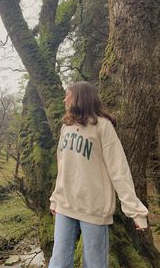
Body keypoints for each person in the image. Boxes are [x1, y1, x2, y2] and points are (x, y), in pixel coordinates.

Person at [48, 81, 148, 268]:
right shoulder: (66, 126)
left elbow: (119, 169)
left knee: (95, 263)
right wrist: (55, 198)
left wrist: (135, 211)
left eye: (67, 95)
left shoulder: (103, 126)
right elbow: (63, 167)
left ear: (79, 97)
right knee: (58, 262)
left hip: (94, 208)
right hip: (65, 205)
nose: (64, 99)